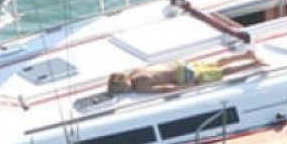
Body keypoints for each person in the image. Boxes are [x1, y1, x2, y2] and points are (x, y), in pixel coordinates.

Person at [107, 51, 259, 95]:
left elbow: (165, 88)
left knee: (221, 73)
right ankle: (245, 55)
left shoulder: (139, 86)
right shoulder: (136, 71)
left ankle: (253, 63)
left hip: (182, 76)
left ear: (124, 81)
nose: (125, 91)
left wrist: (187, 87)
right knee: (216, 63)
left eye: (122, 89)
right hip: (179, 65)